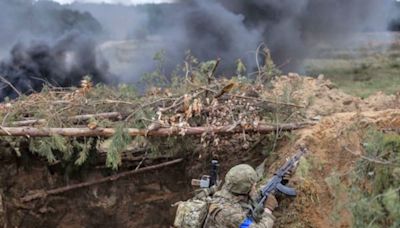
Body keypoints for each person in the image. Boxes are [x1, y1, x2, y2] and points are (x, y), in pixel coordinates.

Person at [203, 164, 278, 228]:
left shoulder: (232, 189)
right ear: (246, 189)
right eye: (253, 186)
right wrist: (268, 210)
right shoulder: (229, 213)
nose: (255, 187)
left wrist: (277, 182)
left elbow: (256, 193)